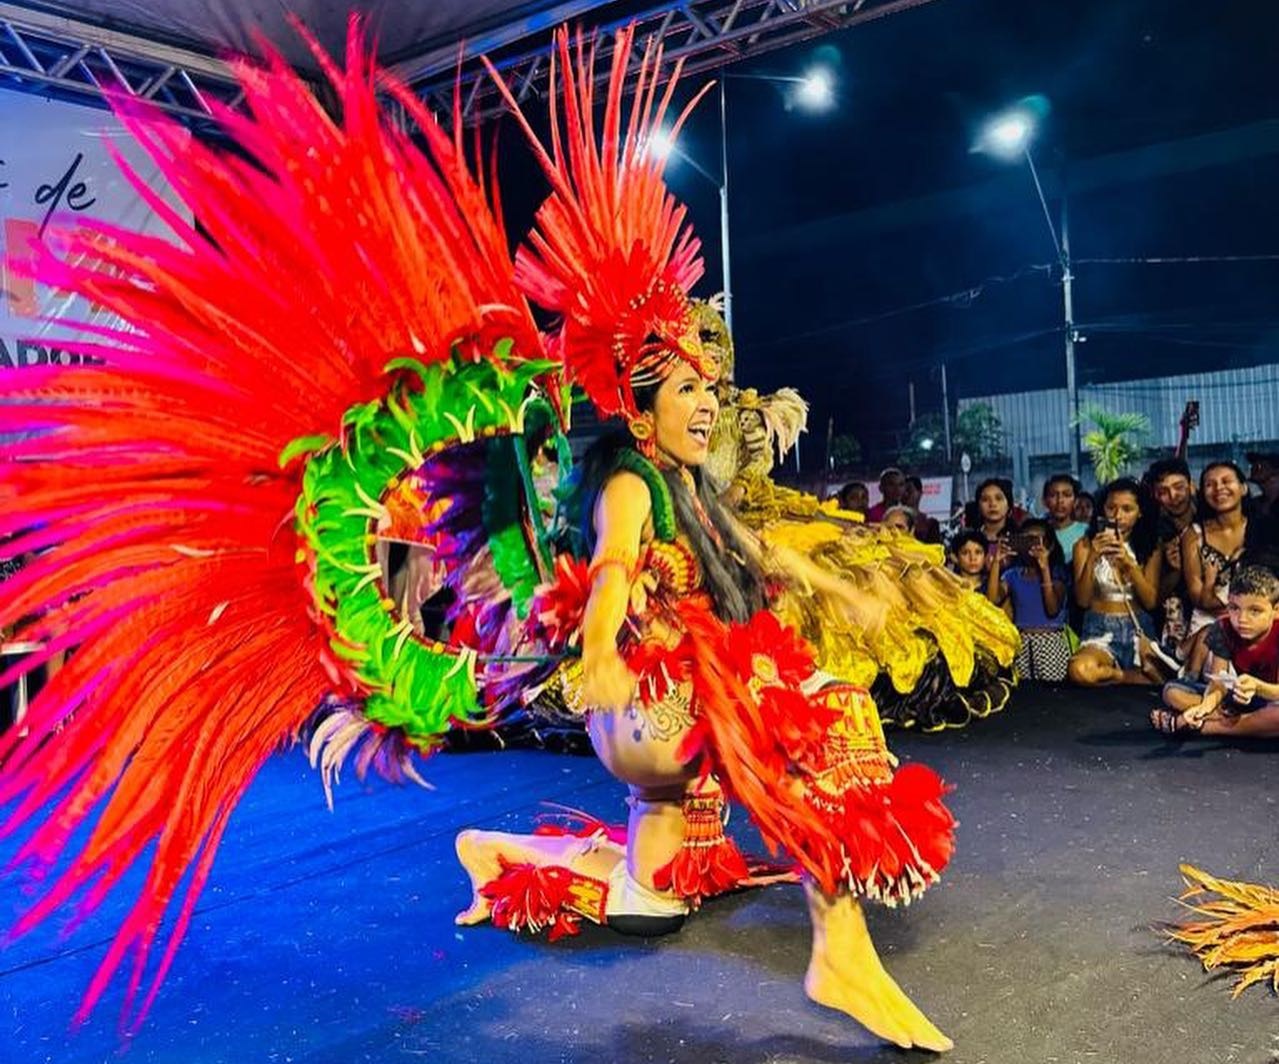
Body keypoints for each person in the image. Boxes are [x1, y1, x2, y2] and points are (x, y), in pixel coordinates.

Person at [1151, 565, 1279, 738]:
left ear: (1276, 611)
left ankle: (1197, 727)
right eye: (1234, 608)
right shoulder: (1222, 628)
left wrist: (1257, 687)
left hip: (1271, 697)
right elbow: (1218, 682)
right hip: (1241, 699)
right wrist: (1204, 708)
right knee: (1172, 692)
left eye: (1255, 611)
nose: (1242, 619)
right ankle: (1246, 723)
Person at [1066, 478, 1162, 685]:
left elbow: (1151, 601)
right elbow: (1082, 601)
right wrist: (1092, 556)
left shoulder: (1150, 547)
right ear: (1102, 511)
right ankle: (1129, 677)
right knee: (1080, 670)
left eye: (1127, 509)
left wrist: (1129, 564)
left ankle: (1120, 675)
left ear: (1140, 512)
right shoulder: (1083, 546)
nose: (1118, 516)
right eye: (1111, 508)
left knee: (1168, 677)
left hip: (1139, 628)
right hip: (1100, 627)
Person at [987, 518, 1071, 682]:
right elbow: (992, 600)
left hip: (1050, 643)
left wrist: (1045, 569)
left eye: (1036, 541)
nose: (1032, 547)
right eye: (1026, 540)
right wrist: (996, 562)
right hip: (1022, 644)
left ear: (1050, 546)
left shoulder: (1057, 574)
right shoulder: (1012, 575)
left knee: (1054, 696)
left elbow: (1052, 609)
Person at [1147, 457, 1196, 650]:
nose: (1173, 495)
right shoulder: (1153, 534)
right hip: (1171, 624)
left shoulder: (1210, 521)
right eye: (1163, 491)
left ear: (1191, 486)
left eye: (1179, 487)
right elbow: (1152, 600)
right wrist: (1174, 571)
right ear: (1156, 496)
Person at [1041, 474, 1088, 560]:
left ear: (1076, 501)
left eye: (1066, 495)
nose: (1060, 500)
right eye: (1053, 495)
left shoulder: (1087, 532)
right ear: (1044, 501)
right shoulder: (1039, 533)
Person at [966, 477, 1018, 547]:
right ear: (978, 506)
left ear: (1008, 505)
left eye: (998, 498)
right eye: (985, 499)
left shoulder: (1019, 537)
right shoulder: (968, 540)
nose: (992, 504)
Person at [901, 475, 942, 543]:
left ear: (919, 493)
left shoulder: (931, 524)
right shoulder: (893, 520)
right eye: (903, 491)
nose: (905, 494)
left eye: (909, 490)